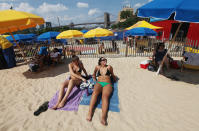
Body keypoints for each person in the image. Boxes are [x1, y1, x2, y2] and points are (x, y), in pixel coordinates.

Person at [86, 57, 116, 126]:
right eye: (103, 60)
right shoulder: (97, 67)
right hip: (99, 83)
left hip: (107, 83)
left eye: (105, 59)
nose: (105, 60)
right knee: (94, 94)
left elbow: (113, 74)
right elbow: (93, 74)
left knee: (105, 97)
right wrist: (94, 79)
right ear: (100, 61)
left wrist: (114, 79)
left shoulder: (109, 67)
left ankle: (103, 117)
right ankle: (90, 113)